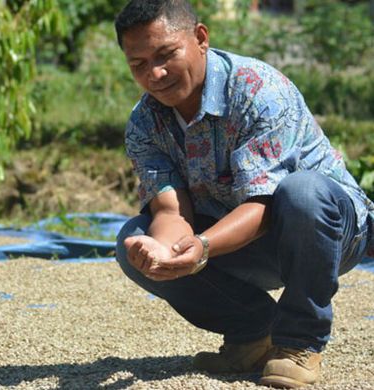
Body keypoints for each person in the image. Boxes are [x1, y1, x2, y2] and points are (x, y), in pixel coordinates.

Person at [113, 0, 374, 388]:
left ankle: (299, 343)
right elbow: (170, 208)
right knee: (132, 239)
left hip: (328, 230)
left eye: (166, 54)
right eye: (139, 64)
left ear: (200, 38)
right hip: (240, 238)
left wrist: (200, 247)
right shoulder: (144, 121)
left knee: (301, 191)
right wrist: (166, 253)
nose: (155, 73)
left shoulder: (257, 89)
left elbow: (264, 204)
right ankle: (255, 333)